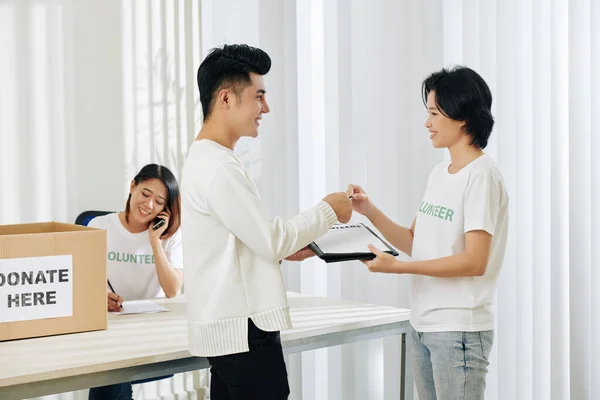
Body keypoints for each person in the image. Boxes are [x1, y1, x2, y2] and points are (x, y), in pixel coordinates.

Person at [181, 44, 352, 400]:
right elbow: (272, 238)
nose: (266, 108)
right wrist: (328, 210)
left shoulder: (205, 158)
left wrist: (278, 252)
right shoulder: (219, 166)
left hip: (227, 331)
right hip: (244, 333)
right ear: (227, 98)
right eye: (259, 97)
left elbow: (234, 242)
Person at [348, 66, 509, 400]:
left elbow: (474, 262)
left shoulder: (481, 176)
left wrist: (398, 268)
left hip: (459, 330)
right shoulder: (440, 173)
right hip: (423, 325)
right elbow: (415, 242)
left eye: (434, 113)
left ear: (462, 117)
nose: (427, 123)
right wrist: (370, 212)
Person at [87, 163, 184, 400]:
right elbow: (83, 280)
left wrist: (155, 241)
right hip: (110, 328)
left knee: (110, 374)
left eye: (159, 201)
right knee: (112, 371)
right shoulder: (99, 226)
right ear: (132, 186)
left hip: (150, 331)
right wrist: (99, 297)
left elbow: (173, 290)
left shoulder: (169, 236)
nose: (149, 205)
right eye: (145, 194)